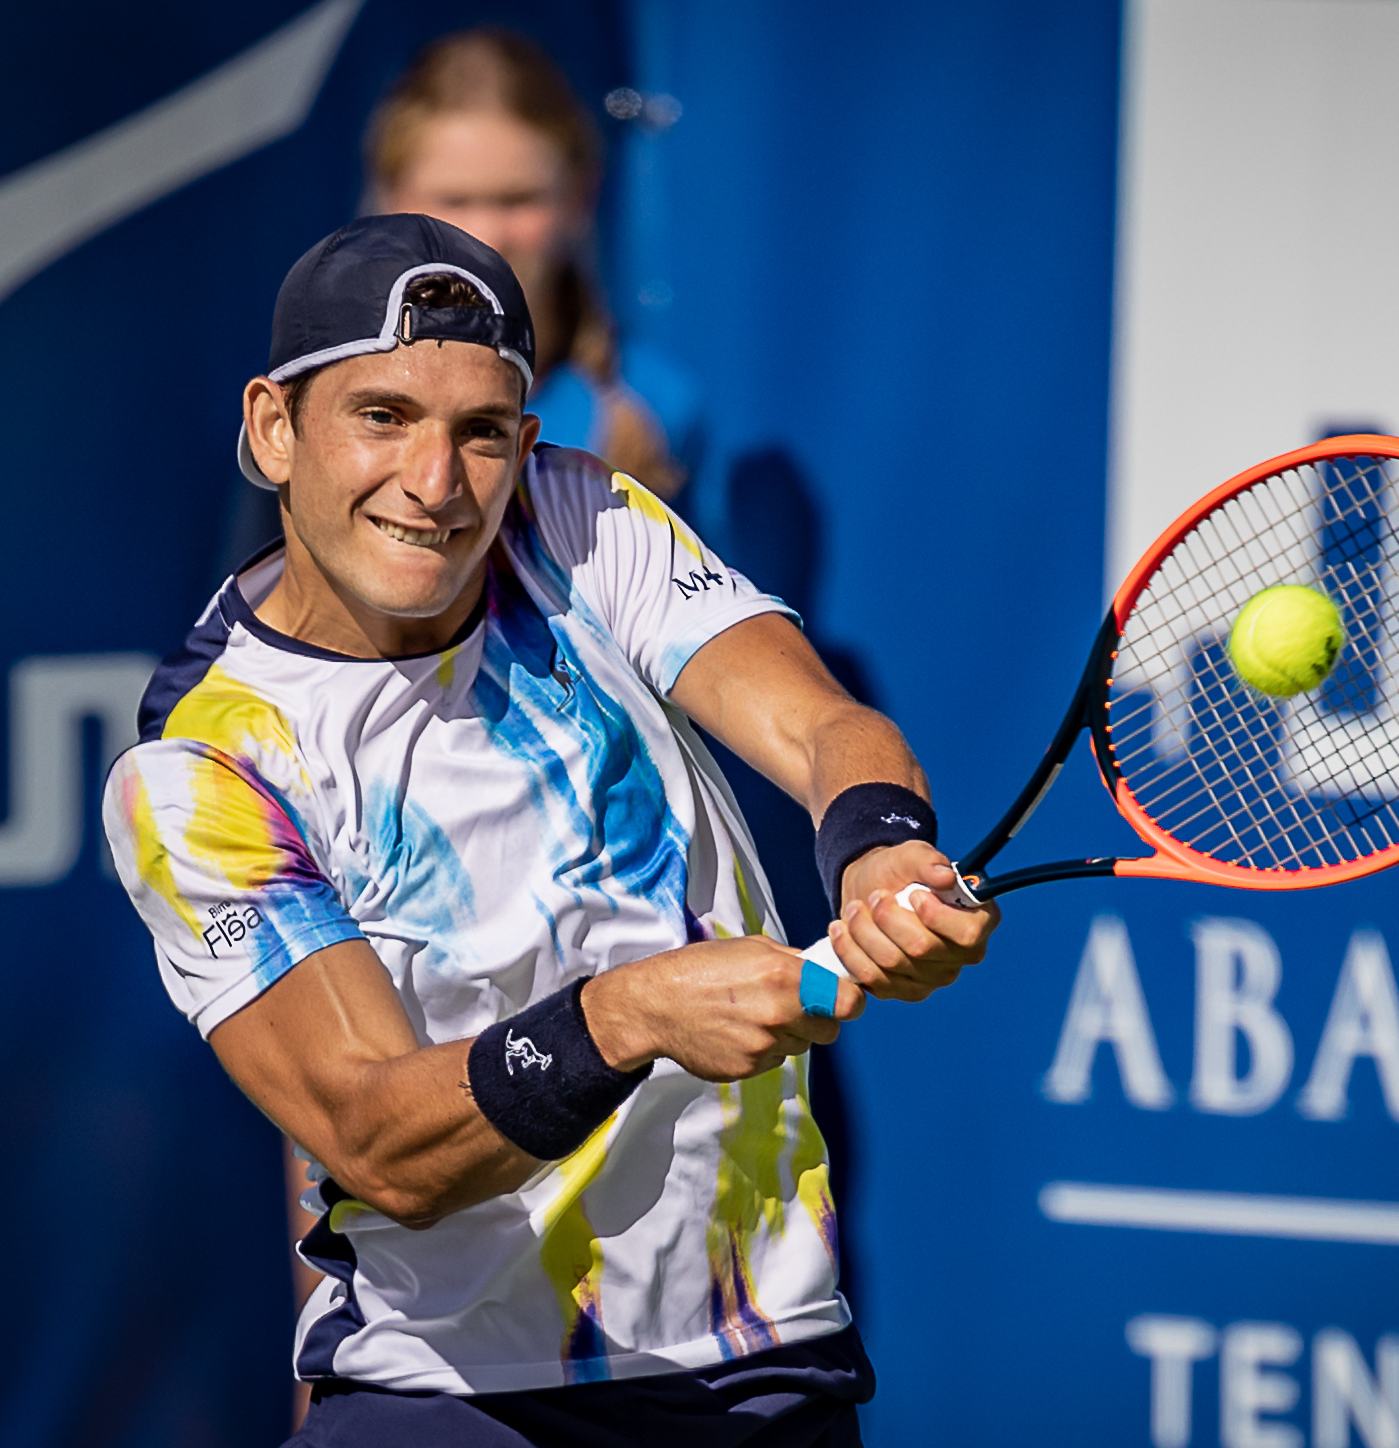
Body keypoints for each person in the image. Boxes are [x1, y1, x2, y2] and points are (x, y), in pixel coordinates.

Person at [103, 213, 998, 1445]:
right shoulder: (200, 765)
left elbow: (825, 731)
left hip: (756, 1363)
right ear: (273, 426)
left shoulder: (573, 519)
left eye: (480, 433)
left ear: (527, 444)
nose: (434, 483)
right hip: (448, 1398)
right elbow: (379, 1136)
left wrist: (882, 846)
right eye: (382, 415)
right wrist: (632, 1012)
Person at [365, 27, 696, 500]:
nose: (486, 236)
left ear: (581, 196)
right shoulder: (324, 396)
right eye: (453, 200)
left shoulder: (657, 408)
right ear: (392, 201)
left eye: (519, 200)